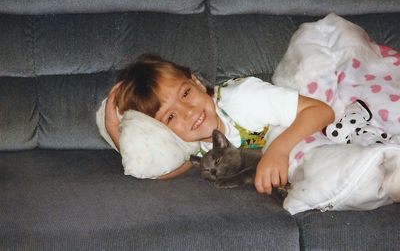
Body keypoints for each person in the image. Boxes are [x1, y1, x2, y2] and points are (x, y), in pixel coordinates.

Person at [105, 54, 335, 194]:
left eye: (185, 93)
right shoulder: (194, 145)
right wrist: (115, 130)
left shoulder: (244, 99)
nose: (188, 112)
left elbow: (322, 111)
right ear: (163, 131)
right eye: (170, 117)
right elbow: (160, 171)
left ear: (196, 82)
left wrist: (278, 151)